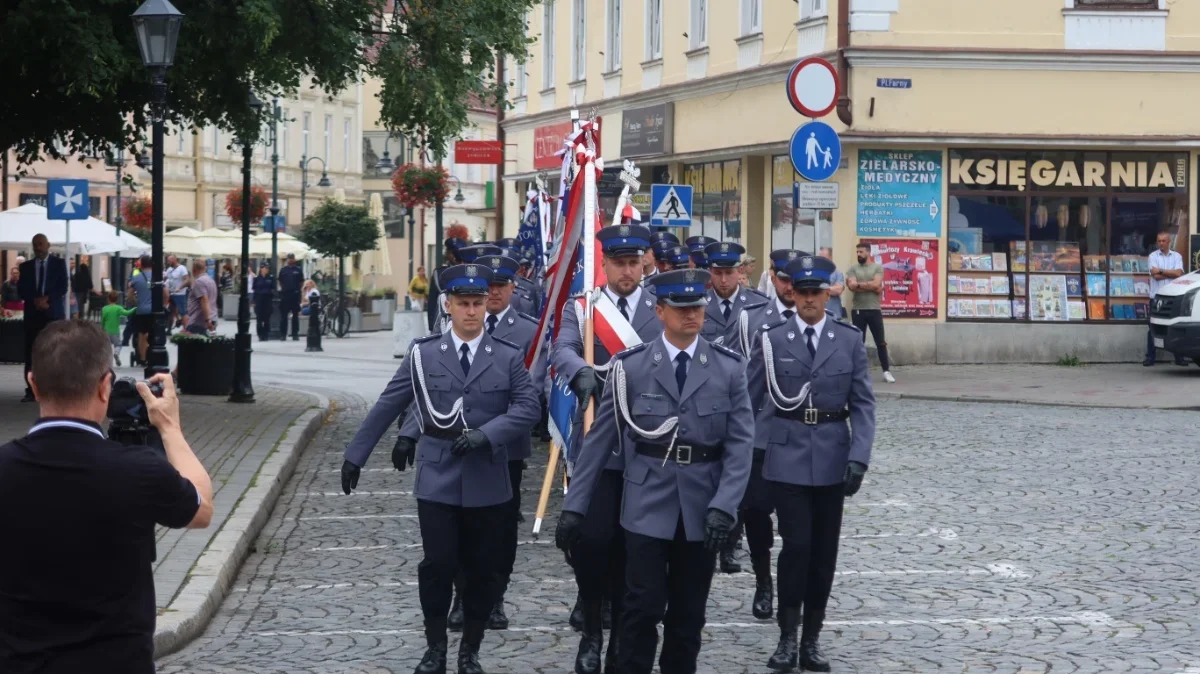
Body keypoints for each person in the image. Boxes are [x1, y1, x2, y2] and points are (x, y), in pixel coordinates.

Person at [341, 262, 540, 674]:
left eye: (477, 303)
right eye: (463, 303)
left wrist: (489, 434)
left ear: (487, 304)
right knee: (439, 563)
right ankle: (435, 648)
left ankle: (471, 649)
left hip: (488, 475)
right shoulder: (425, 353)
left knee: (483, 568)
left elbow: (527, 407)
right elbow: (390, 402)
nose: (471, 311)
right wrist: (355, 454)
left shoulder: (507, 356)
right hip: (438, 475)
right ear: (447, 306)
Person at [556, 267, 754, 674]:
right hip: (646, 503)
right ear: (660, 310)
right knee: (641, 606)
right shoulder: (631, 367)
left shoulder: (728, 368)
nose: (691, 315)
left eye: (696, 307)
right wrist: (575, 507)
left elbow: (739, 445)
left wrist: (725, 505)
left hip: (701, 506)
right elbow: (598, 442)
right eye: (680, 308)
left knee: (688, 614)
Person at [0, 320, 213, 674]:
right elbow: (201, 510)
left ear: (33, 384)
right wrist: (170, 427)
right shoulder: (140, 471)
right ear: (105, 386)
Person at [394, 253, 543, 633]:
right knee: (452, 531)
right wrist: (410, 433)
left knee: (500, 532)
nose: (489, 297)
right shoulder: (444, 332)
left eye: (498, 287)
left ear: (512, 287)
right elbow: (430, 394)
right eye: (481, 292)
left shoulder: (527, 332)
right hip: (450, 448)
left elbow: (535, 390)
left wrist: (494, 432)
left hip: (503, 448)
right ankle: (463, 597)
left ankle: (494, 596)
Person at [747, 254, 876, 672]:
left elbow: (864, 406)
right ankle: (787, 636)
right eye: (800, 292)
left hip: (833, 456)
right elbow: (748, 399)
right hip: (785, 454)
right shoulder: (772, 338)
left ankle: (812, 639)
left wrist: (859, 457)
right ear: (791, 293)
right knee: (796, 547)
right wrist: (745, 452)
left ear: (828, 293)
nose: (807, 299)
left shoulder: (849, 339)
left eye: (815, 292)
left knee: (823, 554)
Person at [552, 223, 664, 673]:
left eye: (633, 263)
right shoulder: (585, 308)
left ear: (643, 263)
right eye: (617, 263)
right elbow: (559, 348)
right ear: (605, 264)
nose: (626, 271)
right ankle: (592, 633)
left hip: (647, 448)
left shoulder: (663, 309)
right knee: (593, 542)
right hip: (598, 445)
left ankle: (620, 635)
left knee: (634, 551)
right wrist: (579, 368)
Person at [18, 234, 68, 402]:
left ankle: (54, 388)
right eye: (35, 245)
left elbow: (63, 287)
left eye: (40, 244)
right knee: (32, 351)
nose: (38, 247)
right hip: (33, 315)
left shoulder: (59, 264)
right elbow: (21, 290)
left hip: (52, 314)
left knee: (54, 350)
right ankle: (31, 389)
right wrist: (35, 300)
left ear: (48, 245)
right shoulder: (25, 267)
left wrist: (48, 299)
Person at [846, 241, 896, 383]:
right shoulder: (853, 269)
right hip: (858, 310)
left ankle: (886, 371)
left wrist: (861, 285)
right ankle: (859, 372)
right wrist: (872, 286)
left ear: (868, 252)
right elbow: (852, 286)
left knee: (880, 342)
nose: (859, 255)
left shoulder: (877, 268)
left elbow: (876, 284)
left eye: (861, 252)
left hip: (874, 309)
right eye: (857, 252)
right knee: (858, 343)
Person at [1146, 231, 1186, 366]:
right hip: (1156, 297)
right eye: (1159, 241)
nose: (1161, 243)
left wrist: (1161, 271)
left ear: (1169, 242)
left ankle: (1179, 358)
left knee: (1175, 326)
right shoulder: (1152, 256)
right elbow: (1155, 275)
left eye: (1164, 241)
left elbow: (1179, 273)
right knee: (1152, 327)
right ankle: (1150, 358)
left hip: (1174, 297)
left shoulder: (1177, 256)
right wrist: (1171, 273)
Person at [125, 255, 161, 368]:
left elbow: (129, 296)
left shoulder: (137, 277)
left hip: (142, 311)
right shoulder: (158, 277)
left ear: (142, 264)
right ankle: (155, 355)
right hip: (155, 311)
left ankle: (143, 359)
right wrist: (162, 304)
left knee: (142, 335)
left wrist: (137, 303)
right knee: (154, 333)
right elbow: (165, 293)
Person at [426, 237, 466, 333]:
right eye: (451, 252)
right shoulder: (439, 273)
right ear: (447, 253)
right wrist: (432, 326)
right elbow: (432, 302)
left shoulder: (470, 273)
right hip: (444, 324)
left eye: (456, 252)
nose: (453, 255)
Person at [101, 291, 136, 367]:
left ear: (108, 299)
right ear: (117, 299)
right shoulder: (118, 308)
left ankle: (107, 361)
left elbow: (102, 321)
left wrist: (102, 329)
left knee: (107, 346)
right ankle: (116, 353)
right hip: (115, 331)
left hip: (106, 331)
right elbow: (127, 313)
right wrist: (135, 308)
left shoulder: (104, 309)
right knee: (118, 345)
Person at [184, 259, 218, 336]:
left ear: (194, 269)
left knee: (194, 347)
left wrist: (207, 320)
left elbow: (204, 300)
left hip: (199, 321)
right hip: (212, 317)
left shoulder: (199, 281)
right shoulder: (211, 281)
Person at [277, 254, 305, 340]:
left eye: (292, 258)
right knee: (284, 316)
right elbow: (280, 281)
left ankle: (295, 334)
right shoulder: (283, 270)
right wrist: (285, 288)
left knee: (295, 316)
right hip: (285, 295)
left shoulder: (298, 270)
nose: (291, 260)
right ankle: (283, 334)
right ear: (287, 260)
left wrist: (296, 289)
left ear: (294, 259)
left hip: (295, 295)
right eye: (289, 259)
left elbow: (301, 282)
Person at [818, 247, 847, 319]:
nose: (820, 260)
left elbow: (838, 290)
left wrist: (819, 288)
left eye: (823, 258)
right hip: (818, 314)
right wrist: (831, 287)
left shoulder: (837, 273)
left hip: (834, 314)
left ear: (830, 258)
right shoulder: (815, 273)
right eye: (819, 258)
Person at [164, 255, 189, 331]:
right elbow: (165, 278)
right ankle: (169, 330)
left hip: (180, 294)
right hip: (171, 294)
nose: (168, 262)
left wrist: (180, 288)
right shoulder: (169, 269)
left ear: (174, 260)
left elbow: (187, 280)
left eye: (169, 260)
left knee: (183, 312)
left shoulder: (182, 268)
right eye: (167, 260)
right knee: (170, 312)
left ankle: (186, 330)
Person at [252, 265, 275, 342]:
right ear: (261, 269)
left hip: (267, 300)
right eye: (265, 268)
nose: (267, 270)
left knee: (266, 319)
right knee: (259, 319)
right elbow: (254, 290)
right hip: (259, 300)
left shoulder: (270, 278)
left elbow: (273, 289)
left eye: (267, 268)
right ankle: (260, 334)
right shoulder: (256, 279)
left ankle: (266, 334)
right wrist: (254, 301)